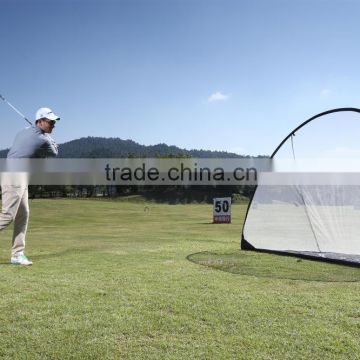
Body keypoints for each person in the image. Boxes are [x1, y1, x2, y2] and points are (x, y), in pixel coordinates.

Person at [0, 107, 60, 265]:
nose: (53, 124)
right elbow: (54, 153)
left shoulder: (22, 132)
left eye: (54, 122)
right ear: (39, 121)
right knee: (7, 216)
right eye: (50, 121)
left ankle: (17, 254)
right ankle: (17, 254)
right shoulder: (44, 139)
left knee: (23, 214)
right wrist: (53, 142)